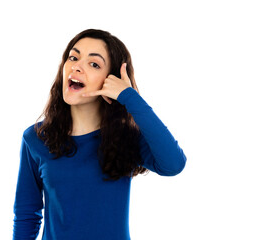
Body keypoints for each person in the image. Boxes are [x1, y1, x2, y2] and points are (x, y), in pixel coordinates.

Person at [12, 29, 187, 240]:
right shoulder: (36, 138)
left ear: (110, 81)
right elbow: (26, 214)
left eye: (94, 64)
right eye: (73, 57)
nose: (77, 66)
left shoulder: (126, 137)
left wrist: (129, 97)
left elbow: (174, 164)